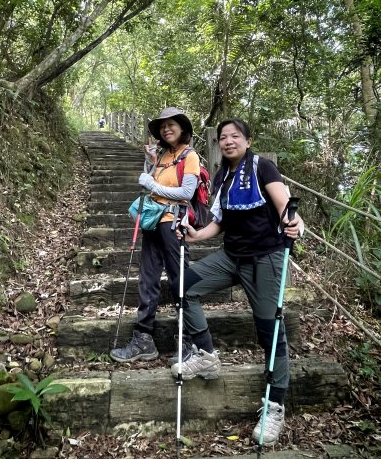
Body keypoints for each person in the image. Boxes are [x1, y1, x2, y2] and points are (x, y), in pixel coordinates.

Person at [170, 118, 304, 446]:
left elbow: (285, 205)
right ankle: (205, 355)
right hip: (231, 256)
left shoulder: (263, 167)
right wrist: (196, 235)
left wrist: (295, 222)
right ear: (218, 144)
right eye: (223, 137)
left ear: (247, 139)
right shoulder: (222, 176)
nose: (229, 141)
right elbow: (221, 222)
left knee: (270, 332)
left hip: (265, 258)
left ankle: (274, 407)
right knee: (183, 286)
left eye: (235, 136)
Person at [110, 107, 200, 363]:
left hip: (173, 223)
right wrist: (151, 163)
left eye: (171, 124)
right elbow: (150, 187)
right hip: (153, 222)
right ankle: (143, 339)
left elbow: (186, 194)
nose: (166, 129)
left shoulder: (189, 156)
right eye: (162, 126)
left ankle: (190, 340)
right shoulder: (161, 155)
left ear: (182, 128)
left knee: (179, 279)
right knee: (147, 279)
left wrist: (153, 184)